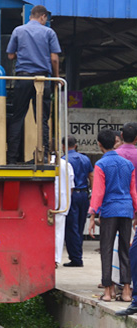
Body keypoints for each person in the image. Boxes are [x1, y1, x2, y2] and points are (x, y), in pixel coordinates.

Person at [5, 5, 61, 164]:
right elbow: (54, 59)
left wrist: (21, 54)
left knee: (18, 117)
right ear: (43, 16)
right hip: (42, 80)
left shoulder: (18, 30)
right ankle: (43, 155)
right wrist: (56, 79)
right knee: (42, 118)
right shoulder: (49, 32)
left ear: (31, 16)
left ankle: (12, 158)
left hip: (23, 78)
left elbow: (10, 56)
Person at [88, 129, 137, 302]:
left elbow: (99, 192)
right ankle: (126, 291)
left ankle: (108, 292)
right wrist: (136, 211)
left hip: (109, 211)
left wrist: (93, 213)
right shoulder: (127, 164)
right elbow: (133, 191)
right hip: (126, 210)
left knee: (107, 250)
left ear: (100, 144)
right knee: (125, 250)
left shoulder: (101, 165)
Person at [63, 136, 94, 267]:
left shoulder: (63, 160)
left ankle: (76, 258)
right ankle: (78, 254)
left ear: (63, 146)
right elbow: (91, 176)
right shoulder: (85, 158)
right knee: (80, 226)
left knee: (71, 227)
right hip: (84, 195)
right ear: (75, 145)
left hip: (72, 195)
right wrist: (92, 192)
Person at [54, 155, 74, 267]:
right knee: (59, 232)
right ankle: (56, 259)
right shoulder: (66, 164)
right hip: (62, 203)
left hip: (46, 201)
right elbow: (71, 186)